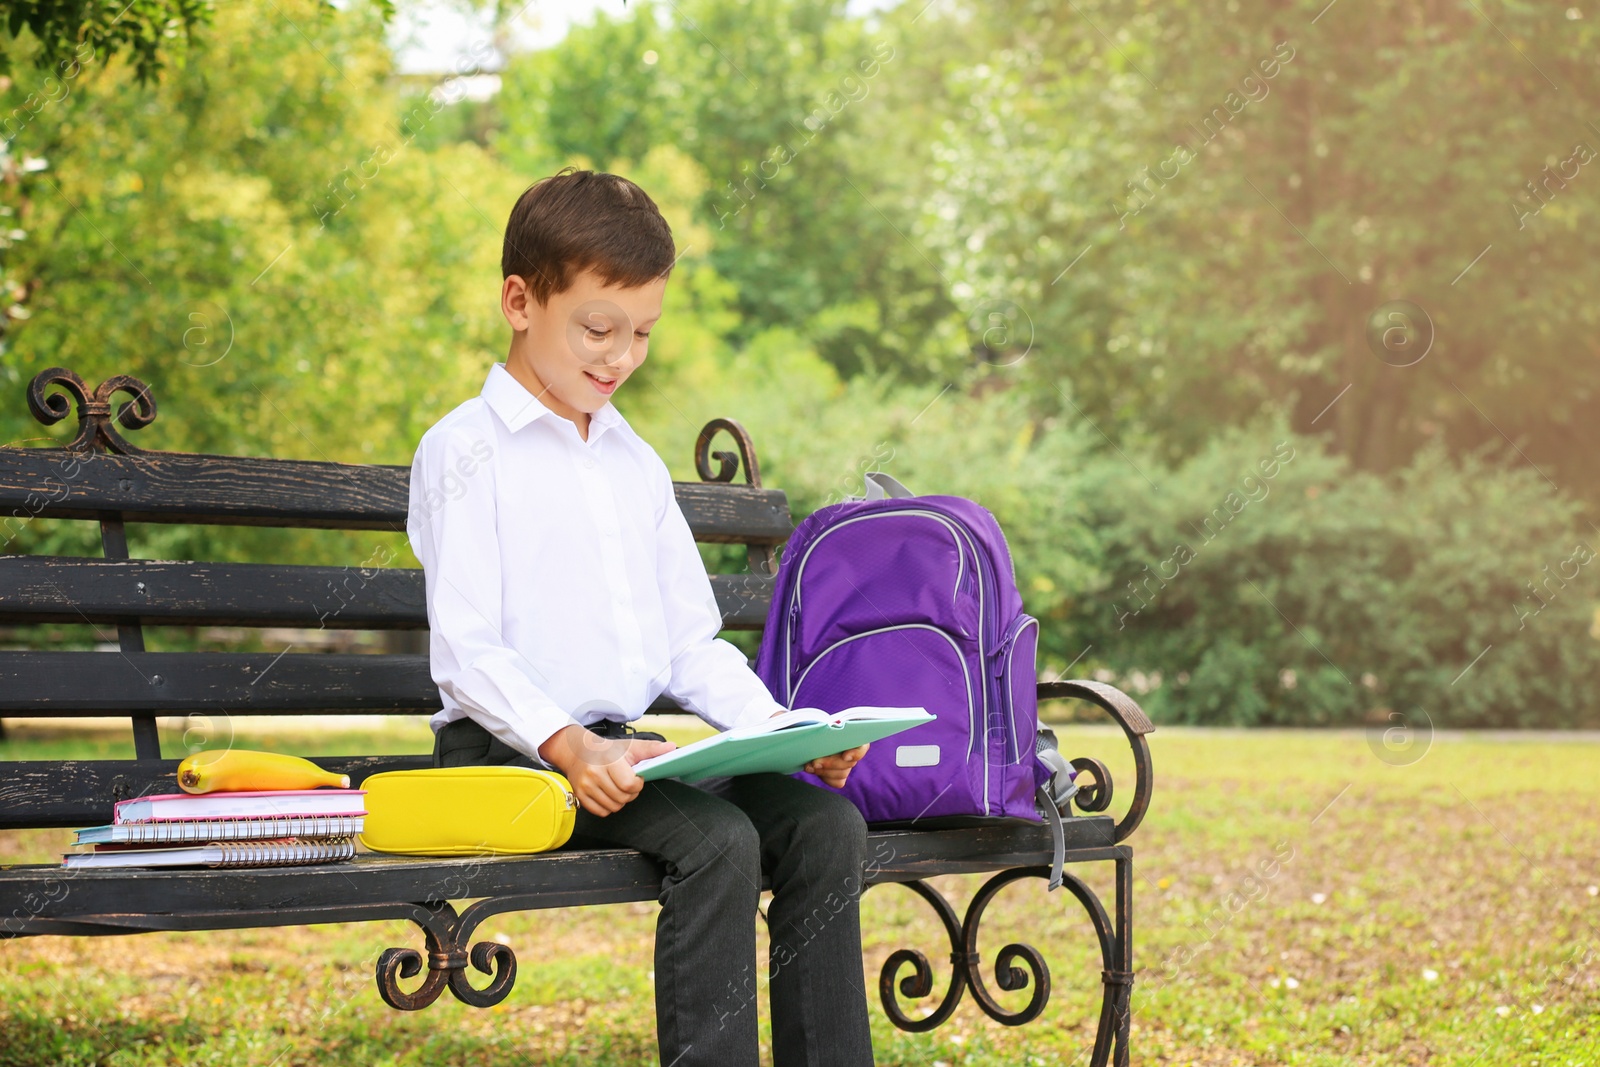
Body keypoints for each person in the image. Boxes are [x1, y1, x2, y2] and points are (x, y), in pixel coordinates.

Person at [405, 168, 877, 1067]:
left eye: (643, 334)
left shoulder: (634, 462)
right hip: (517, 756)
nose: (620, 356)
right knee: (720, 842)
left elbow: (688, 644)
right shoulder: (463, 450)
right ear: (519, 300)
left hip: (628, 754)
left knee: (825, 825)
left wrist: (782, 732)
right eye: (597, 328)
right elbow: (467, 653)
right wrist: (571, 746)